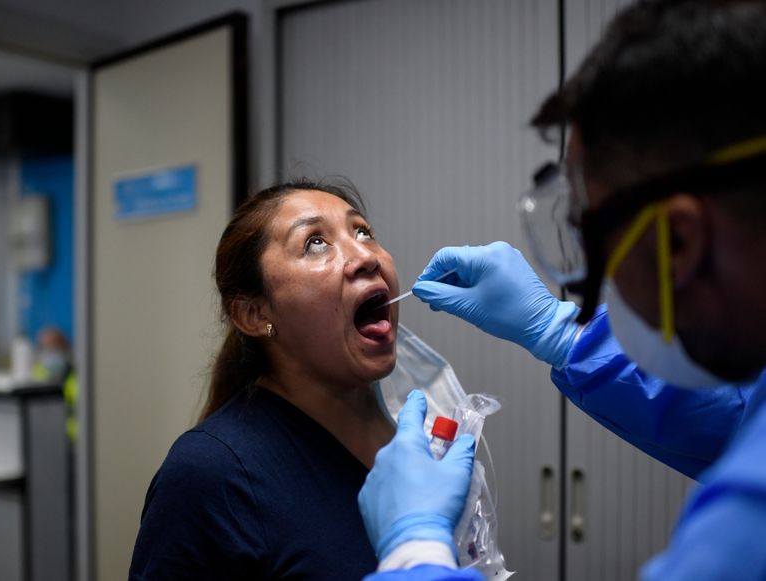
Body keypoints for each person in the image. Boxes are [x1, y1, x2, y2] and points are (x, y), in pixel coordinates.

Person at [359, 0, 766, 579]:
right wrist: (560, 335)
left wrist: (415, 554)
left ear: (679, 241)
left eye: (584, 231)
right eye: (316, 243)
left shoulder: (746, 525)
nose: (362, 258)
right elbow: (735, 416)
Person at [129, 178, 409, 580]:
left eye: (363, 231)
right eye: (315, 242)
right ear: (255, 315)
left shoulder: (418, 432)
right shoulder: (212, 474)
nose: (365, 255)